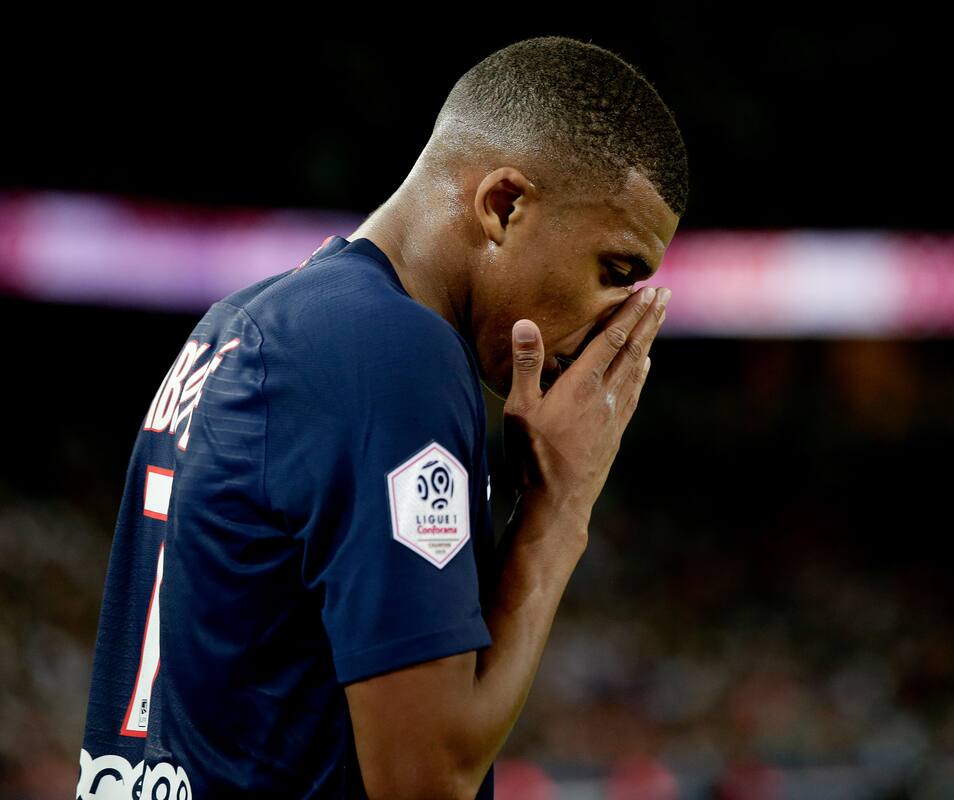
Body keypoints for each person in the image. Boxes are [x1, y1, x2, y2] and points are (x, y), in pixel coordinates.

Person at [77, 35, 687, 799]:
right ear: (504, 205)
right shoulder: (395, 351)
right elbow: (427, 779)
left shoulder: (244, 320)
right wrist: (559, 510)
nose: (616, 320)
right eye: (615, 271)